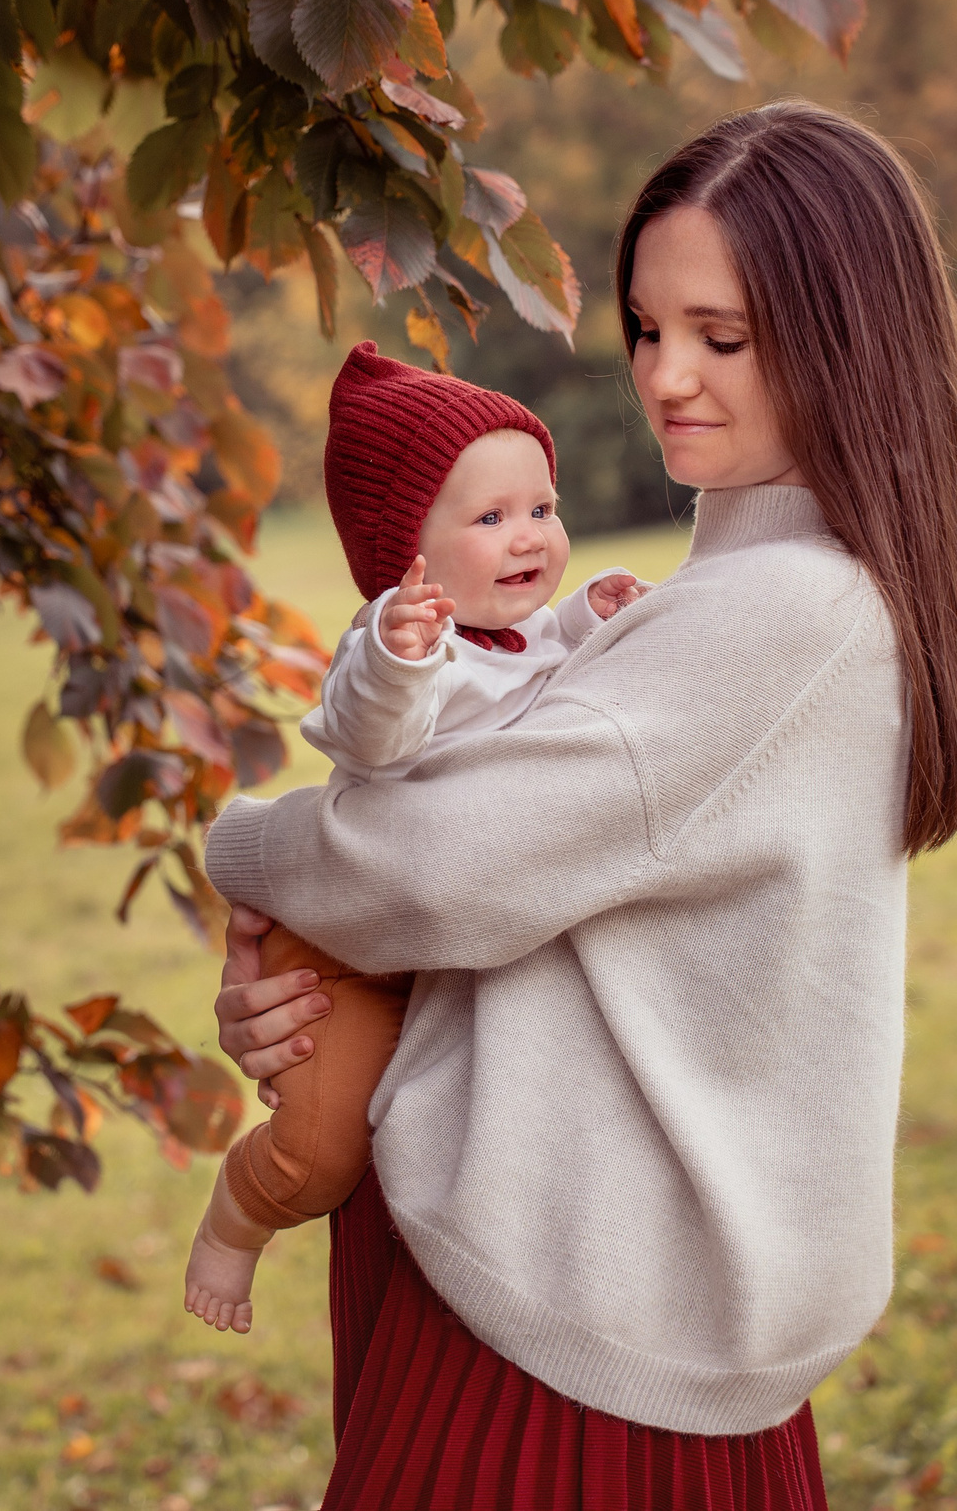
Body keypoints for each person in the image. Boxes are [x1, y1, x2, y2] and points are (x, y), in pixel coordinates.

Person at [202, 101, 957, 1507]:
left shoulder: (782, 614)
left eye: (724, 336)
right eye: (647, 328)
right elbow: (478, 893)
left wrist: (249, 851)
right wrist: (323, 969)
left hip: (573, 1316)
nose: (667, 378)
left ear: (846, 336)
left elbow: (432, 865)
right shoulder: (781, 595)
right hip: (582, 1269)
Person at [183, 343, 651, 1335]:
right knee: (322, 1146)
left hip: (450, 935)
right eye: (489, 518)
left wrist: (590, 610)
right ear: (409, 555)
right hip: (349, 949)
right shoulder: (396, 649)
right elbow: (369, 734)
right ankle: (240, 1212)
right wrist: (398, 655)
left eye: (541, 507)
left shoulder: (527, 628)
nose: (528, 535)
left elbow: (537, 666)